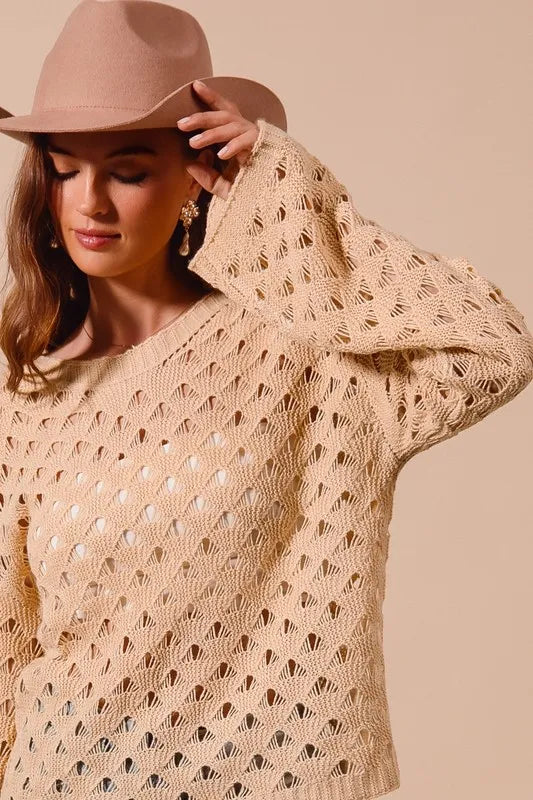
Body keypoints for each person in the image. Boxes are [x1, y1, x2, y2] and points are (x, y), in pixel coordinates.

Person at [0, 3, 532, 800]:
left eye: (129, 171)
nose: (90, 204)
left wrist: (284, 194)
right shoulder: (23, 393)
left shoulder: (306, 348)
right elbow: (9, 639)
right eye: (64, 168)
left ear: (195, 176)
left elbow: (492, 346)